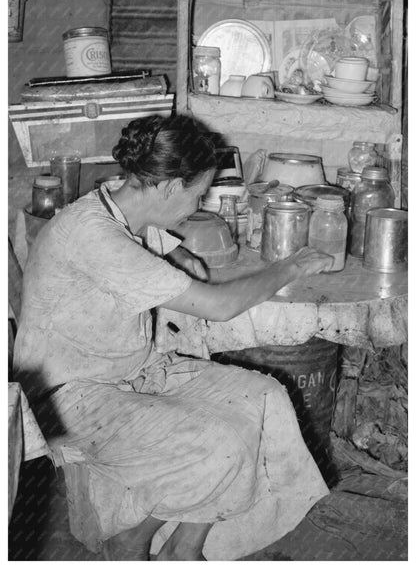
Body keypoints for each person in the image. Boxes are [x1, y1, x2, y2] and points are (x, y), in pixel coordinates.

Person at [13, 114, 334, 561]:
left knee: (262, 398)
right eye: (197, 193)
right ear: (166, 187)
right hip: (70, 397)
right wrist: (291, 266)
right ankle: (132, 538)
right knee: (216, 443)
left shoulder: (116, 202)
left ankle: (182, 552)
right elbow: (221, 306)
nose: (197, 204)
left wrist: (183, 258)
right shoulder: (90, 234)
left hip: (128, 370)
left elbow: (164, 248)